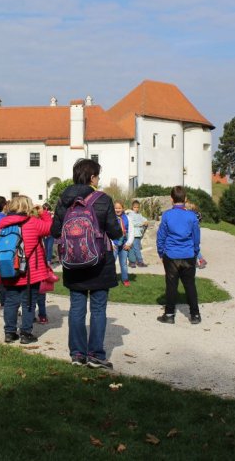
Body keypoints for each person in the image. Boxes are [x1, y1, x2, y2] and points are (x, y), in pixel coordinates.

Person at [51, 158, 122, 370]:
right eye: (97, 176)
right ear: (92, 177)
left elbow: (55, 231)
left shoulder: (63, 200)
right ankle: (96, 355)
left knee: (76, 308)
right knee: (98, 308)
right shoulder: (103, 199)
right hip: (99, 261)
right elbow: (115, 232)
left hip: (73, 260)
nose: (98, 180)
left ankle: (77, 354)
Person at [0, 195, 52, 344]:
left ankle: (10, 333)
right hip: (30, 272)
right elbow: (50, 228)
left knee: (11, 302)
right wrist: (43, 212)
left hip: (8, 270)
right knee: (28, 302)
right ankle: (25, 333)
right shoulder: (34, 223)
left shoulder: (2, 223)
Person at [156, 186, 202, 324]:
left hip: (171, 255)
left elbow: (161, 236)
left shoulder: (167, 215)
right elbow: (196, 236)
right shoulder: (192, 216)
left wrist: (160, 251)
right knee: (190, 285)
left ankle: (169, 315)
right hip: (188, 254)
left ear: (171, 199)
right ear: (185, 199)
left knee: (171, 285)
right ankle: (195, 315)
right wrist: (195, 251)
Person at [112, 201, 134, 287]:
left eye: (119, 208)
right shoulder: (110, 218)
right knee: (111, 263)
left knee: (124, 263)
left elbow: (132, 231)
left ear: (123, 208)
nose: (117, 210)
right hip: (114, 244)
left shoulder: (128, 218)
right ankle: (111, 280)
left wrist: (129, 243)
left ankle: (125, 279)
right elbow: (107, 231)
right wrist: (110, 243)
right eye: (115, 208)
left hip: (124, 245)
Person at [126, 200, 149, 268]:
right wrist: (142, 224)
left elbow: (143, 219)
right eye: (135, 207)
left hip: (138, 234)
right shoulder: (130, 215)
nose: (136, 209)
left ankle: (132, 262)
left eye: (137, 207)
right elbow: (132, 223)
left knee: (134, 248)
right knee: (136, 249)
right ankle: (139, 261)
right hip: (133, 234)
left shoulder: (139, 214)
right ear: (132, 207)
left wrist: (146, 221)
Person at [185, 201, 207, 269]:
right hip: (195, 231)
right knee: (192, 247)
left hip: (192, 232)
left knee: (193, 247)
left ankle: (201, 260)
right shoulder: (196, 214)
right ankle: (195, 262)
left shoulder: (190, 215)